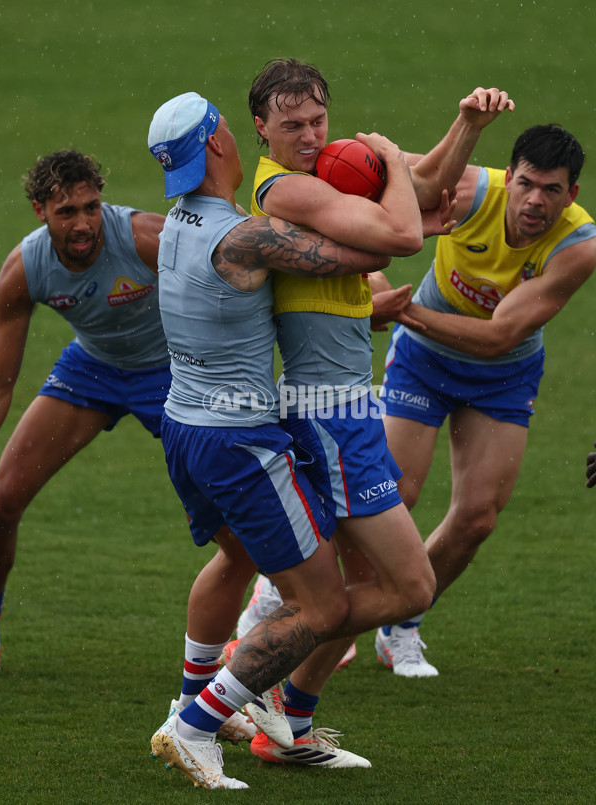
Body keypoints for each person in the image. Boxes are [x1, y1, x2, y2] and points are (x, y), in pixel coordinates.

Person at [146, 91, 434, 790]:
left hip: (182, 426)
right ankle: (199, 721)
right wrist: (394, 174)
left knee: (239, 558)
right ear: (220, 142)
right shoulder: (246, 237)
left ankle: (201, 699)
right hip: (238, 440)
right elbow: (390, 243)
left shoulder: (174, 224)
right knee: (324, 604)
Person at [236, 57, 514, 764]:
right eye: (292, 125)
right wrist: (390, 159)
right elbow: (403, 233)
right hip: (326, 411)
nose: (310, 135)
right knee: (406, 586)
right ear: (260, 127)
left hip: (348, 404)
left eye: (318, 119)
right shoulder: (285, 188)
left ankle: (288, 723)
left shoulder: (327, 167)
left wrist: (467, 126)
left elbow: (425, 190)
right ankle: (235, 679)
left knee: (357, 582)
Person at [376, 123, 596, 677]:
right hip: (424, 361)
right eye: (526, 184)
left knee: (477, 519)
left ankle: (401, 624)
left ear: (571, 193)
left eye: (551, 190)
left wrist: (403, 310)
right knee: (392, 495)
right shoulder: (471, 189)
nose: (535, 200)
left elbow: (500, 337)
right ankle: (295, 599)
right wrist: (373, 149)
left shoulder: (579, 247)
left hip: (502, 374)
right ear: (509, 177)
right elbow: (389, 170)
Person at [0, 150, 171, 674]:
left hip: (172, 373)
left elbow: (237, 272)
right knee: (1, 501)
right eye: (66, 212)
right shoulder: (25, 268)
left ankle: (274, 611)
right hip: (92, 370)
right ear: (39, 211)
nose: (82, 224)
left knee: (232, 517)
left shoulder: (146, 238)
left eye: (91, 208)